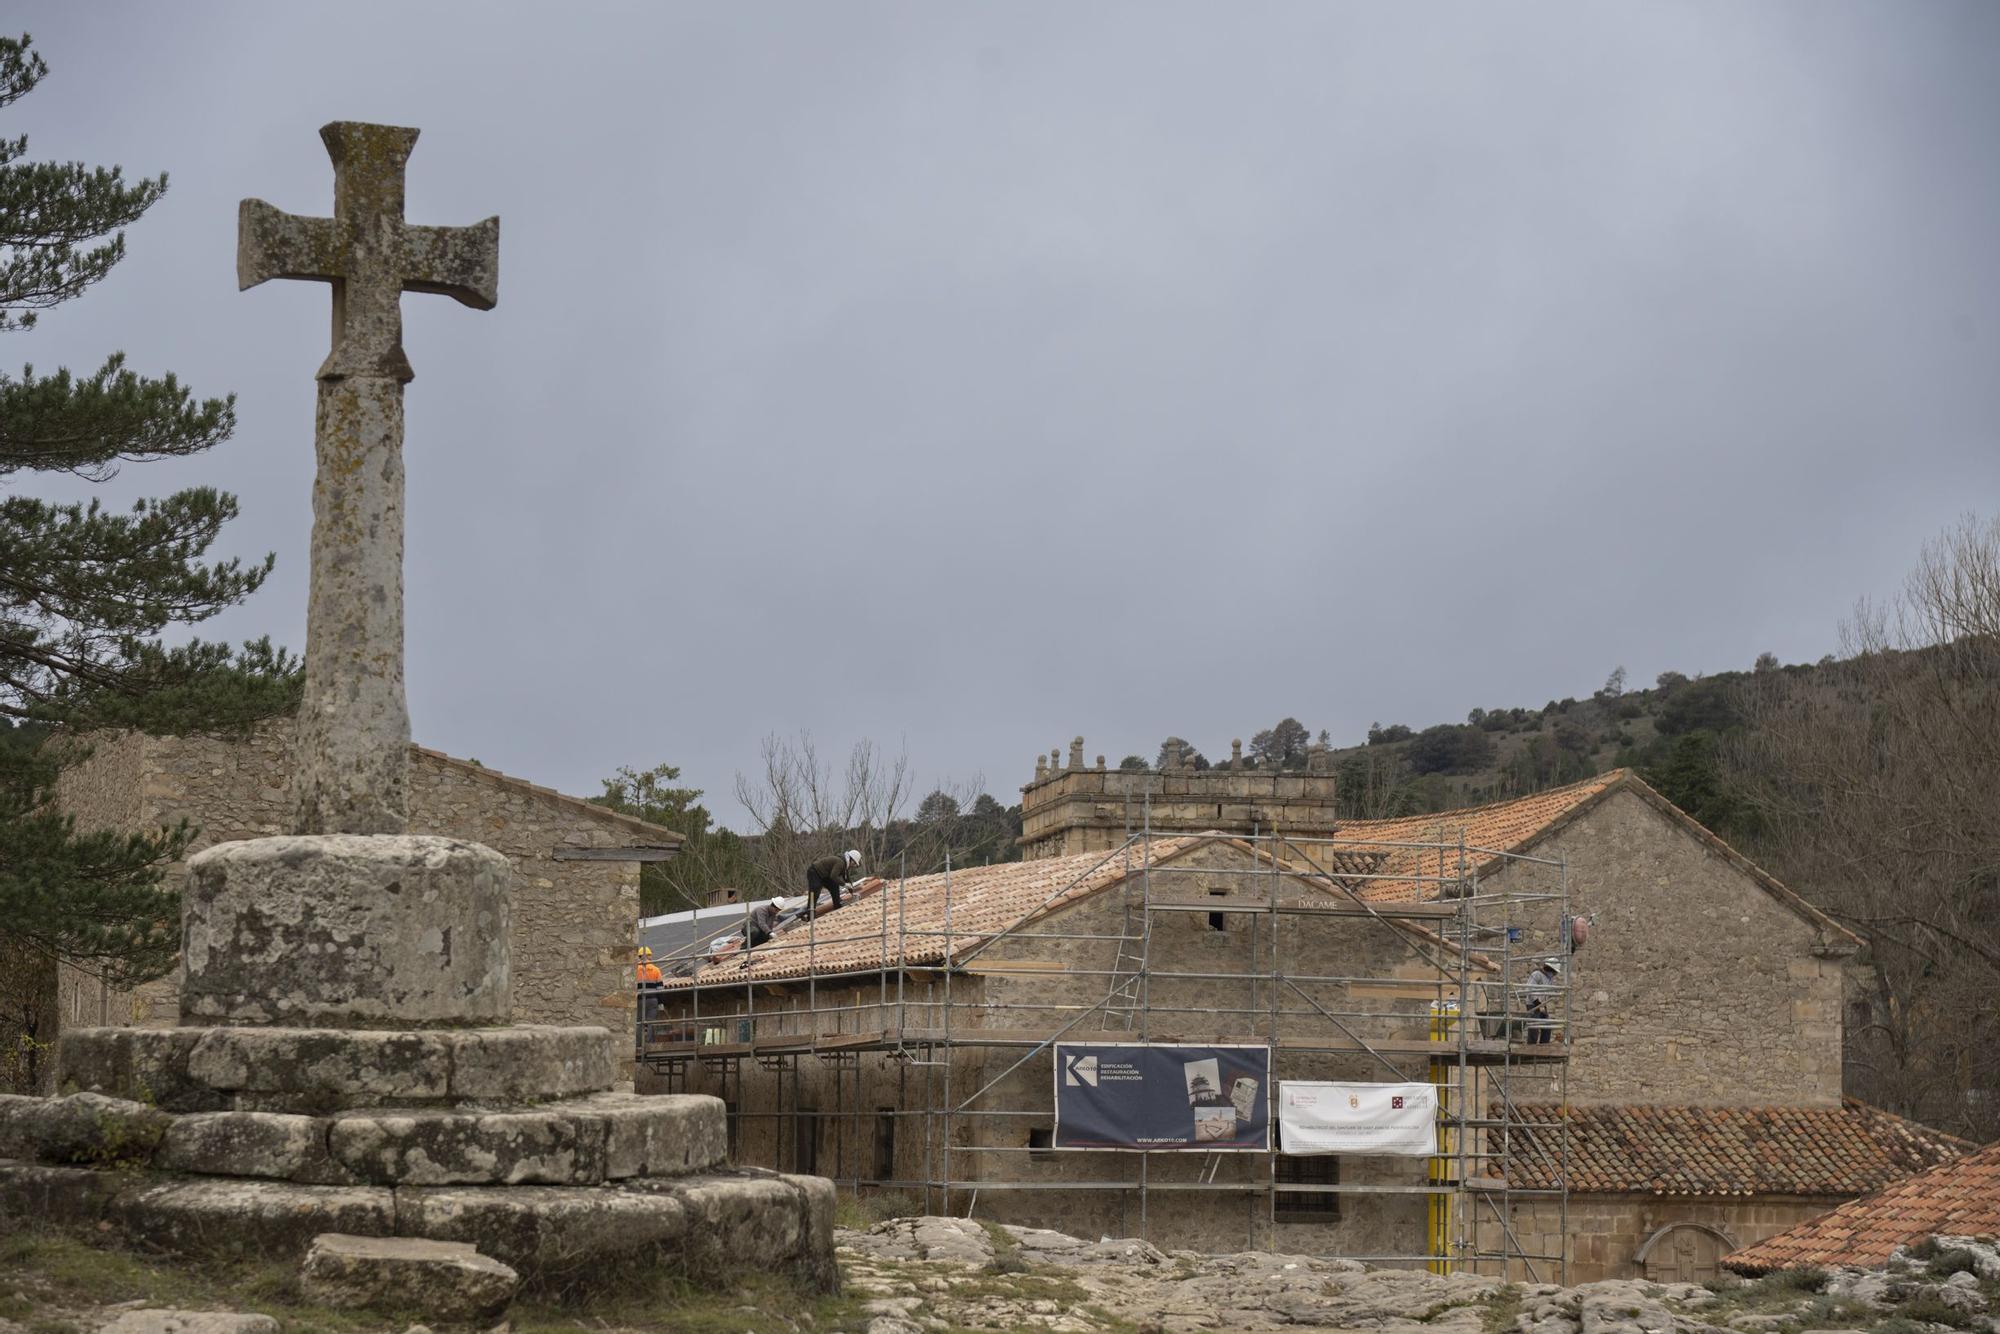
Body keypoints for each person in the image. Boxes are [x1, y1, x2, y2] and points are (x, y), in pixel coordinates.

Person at [806, 849, 863, 915]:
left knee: (835, 887)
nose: (853, 865)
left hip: (825, 876)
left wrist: (852, 893)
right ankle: (810, 914)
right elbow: (834, 876)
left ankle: (837, 906)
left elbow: (847, 879)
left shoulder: (845, 865)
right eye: (854, 863)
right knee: (815, 892)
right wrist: (844, 884)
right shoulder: (840, 862)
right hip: (815, 872)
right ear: (851, 859)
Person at [1524, 958, 1562, 1044]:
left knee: (1547, 1026)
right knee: (1534, 1027)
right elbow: (1530, 989)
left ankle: (1544, 1046)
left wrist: (1557, 993)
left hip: (1542, 1004)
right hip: (1533, 1004)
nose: (1554, 974)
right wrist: (1538, 1004)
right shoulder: (1537, 974)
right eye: (1554, 972)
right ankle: (1531, 1048)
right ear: (1550, 969)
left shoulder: (1549, 978)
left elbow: (1548, 991)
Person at [741, 896, 784, 968]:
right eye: (776, 910)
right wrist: (770, 932)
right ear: (772, 906)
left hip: (759, 929)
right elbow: (762, 923)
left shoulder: (773, 914)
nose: (777, 912)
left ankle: (754, 946)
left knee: (766, 936)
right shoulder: (761, 910)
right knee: (755, 931)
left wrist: (770, 934)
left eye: (778, 910)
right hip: (749, 928)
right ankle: (744, 947)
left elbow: (770, 925)